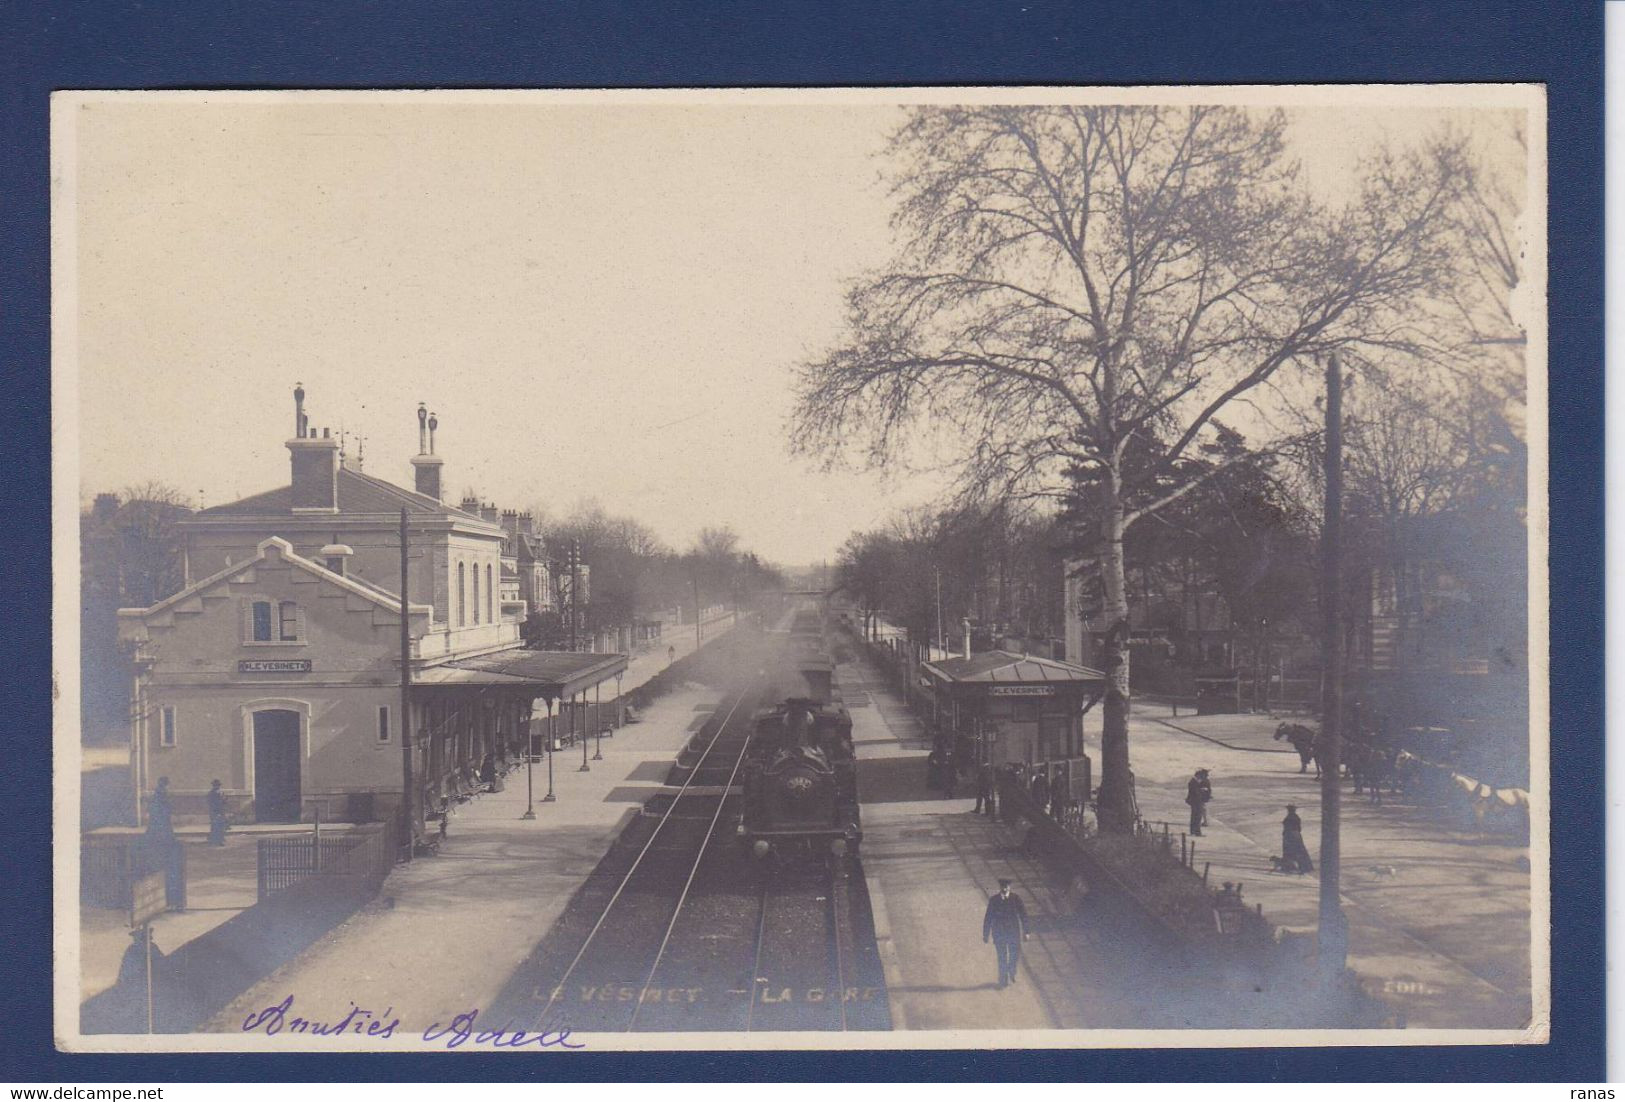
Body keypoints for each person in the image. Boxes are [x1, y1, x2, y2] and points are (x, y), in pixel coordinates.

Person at [982, 878, 1030, 988]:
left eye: (1006, 886)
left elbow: (1023, 915)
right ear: (1000, 887)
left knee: (1014, 954)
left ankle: (1011, 971)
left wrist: (1026, 931)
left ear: (1010, 887)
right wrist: (986, 934)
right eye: (1002, 886)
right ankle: (1003, 980)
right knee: (1002, 957)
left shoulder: (1016, 899)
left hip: (1013, 933)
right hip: (1000, 933)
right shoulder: (994, 900)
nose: (1004, 888)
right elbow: (988, 917)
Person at [1281, 804, 1314, 874]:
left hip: (1290, 835)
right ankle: (1304, 866)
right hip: (1294, 835)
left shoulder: (1291, 817)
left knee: (1292, 851)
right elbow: (1299, 828)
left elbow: (1293, 827)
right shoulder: (1295, 817)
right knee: (1298, 850)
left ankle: (1292, 866)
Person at [1186, 768, 1211, 837]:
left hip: (1196, 801)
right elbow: (1195, 792)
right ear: (1198, 775)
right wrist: (1202, 790)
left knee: (1195, 816)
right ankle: (1196, 832)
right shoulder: (1193, 782)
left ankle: (1194, 832)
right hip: (1196, 801)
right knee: (1197, 817)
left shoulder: (1194, 781)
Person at [206, 780, 228, 846]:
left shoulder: (222, 792)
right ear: (213, 786)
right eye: (216, 785)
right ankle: (214, 840)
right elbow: (210, 803)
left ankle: (220, 839)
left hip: (221, 811)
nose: (217, 786)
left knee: (221, 826)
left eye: (218, 785)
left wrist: (224, 801)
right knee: (215, 826)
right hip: (214, 812)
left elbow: (225, 801)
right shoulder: (211, 793)